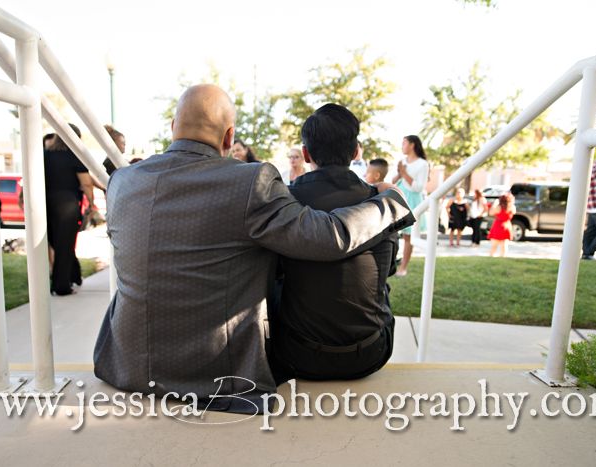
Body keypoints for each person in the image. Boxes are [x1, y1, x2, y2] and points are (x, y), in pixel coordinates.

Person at [93, 84, 414, 414]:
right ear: (229, 137)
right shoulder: (250, 182)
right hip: (213, 377)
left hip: (126, 364)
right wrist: (390, 203)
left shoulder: (122, 182)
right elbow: (327, 238)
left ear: (173, 128)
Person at [271, 104, 405, 383]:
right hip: (371, 353)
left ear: (306, 154)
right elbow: (389, 268)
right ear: (357, 151)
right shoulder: (380, 203)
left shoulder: (283, 202)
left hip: (297, 355)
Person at [44, 124, 94, 295]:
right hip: (67, 204)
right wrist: (92, 203)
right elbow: (86, 182)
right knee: (65, 245)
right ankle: (61, 286)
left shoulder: (45, 154)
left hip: (45, 203)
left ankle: (74, 275)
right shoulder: (75, 156)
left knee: (57, 244)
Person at [392, 135, 429, 276]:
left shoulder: (423, 164)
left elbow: (418, 188)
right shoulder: (402, 161)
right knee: (393, 231)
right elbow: (394, 180)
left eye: (404, 143)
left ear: (412, 145)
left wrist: (404, 172)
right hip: (399, 196)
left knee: (408, 236)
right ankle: (392, 263)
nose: (402, 146)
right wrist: (399, 173)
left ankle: (403, 267)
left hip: (412, 200)